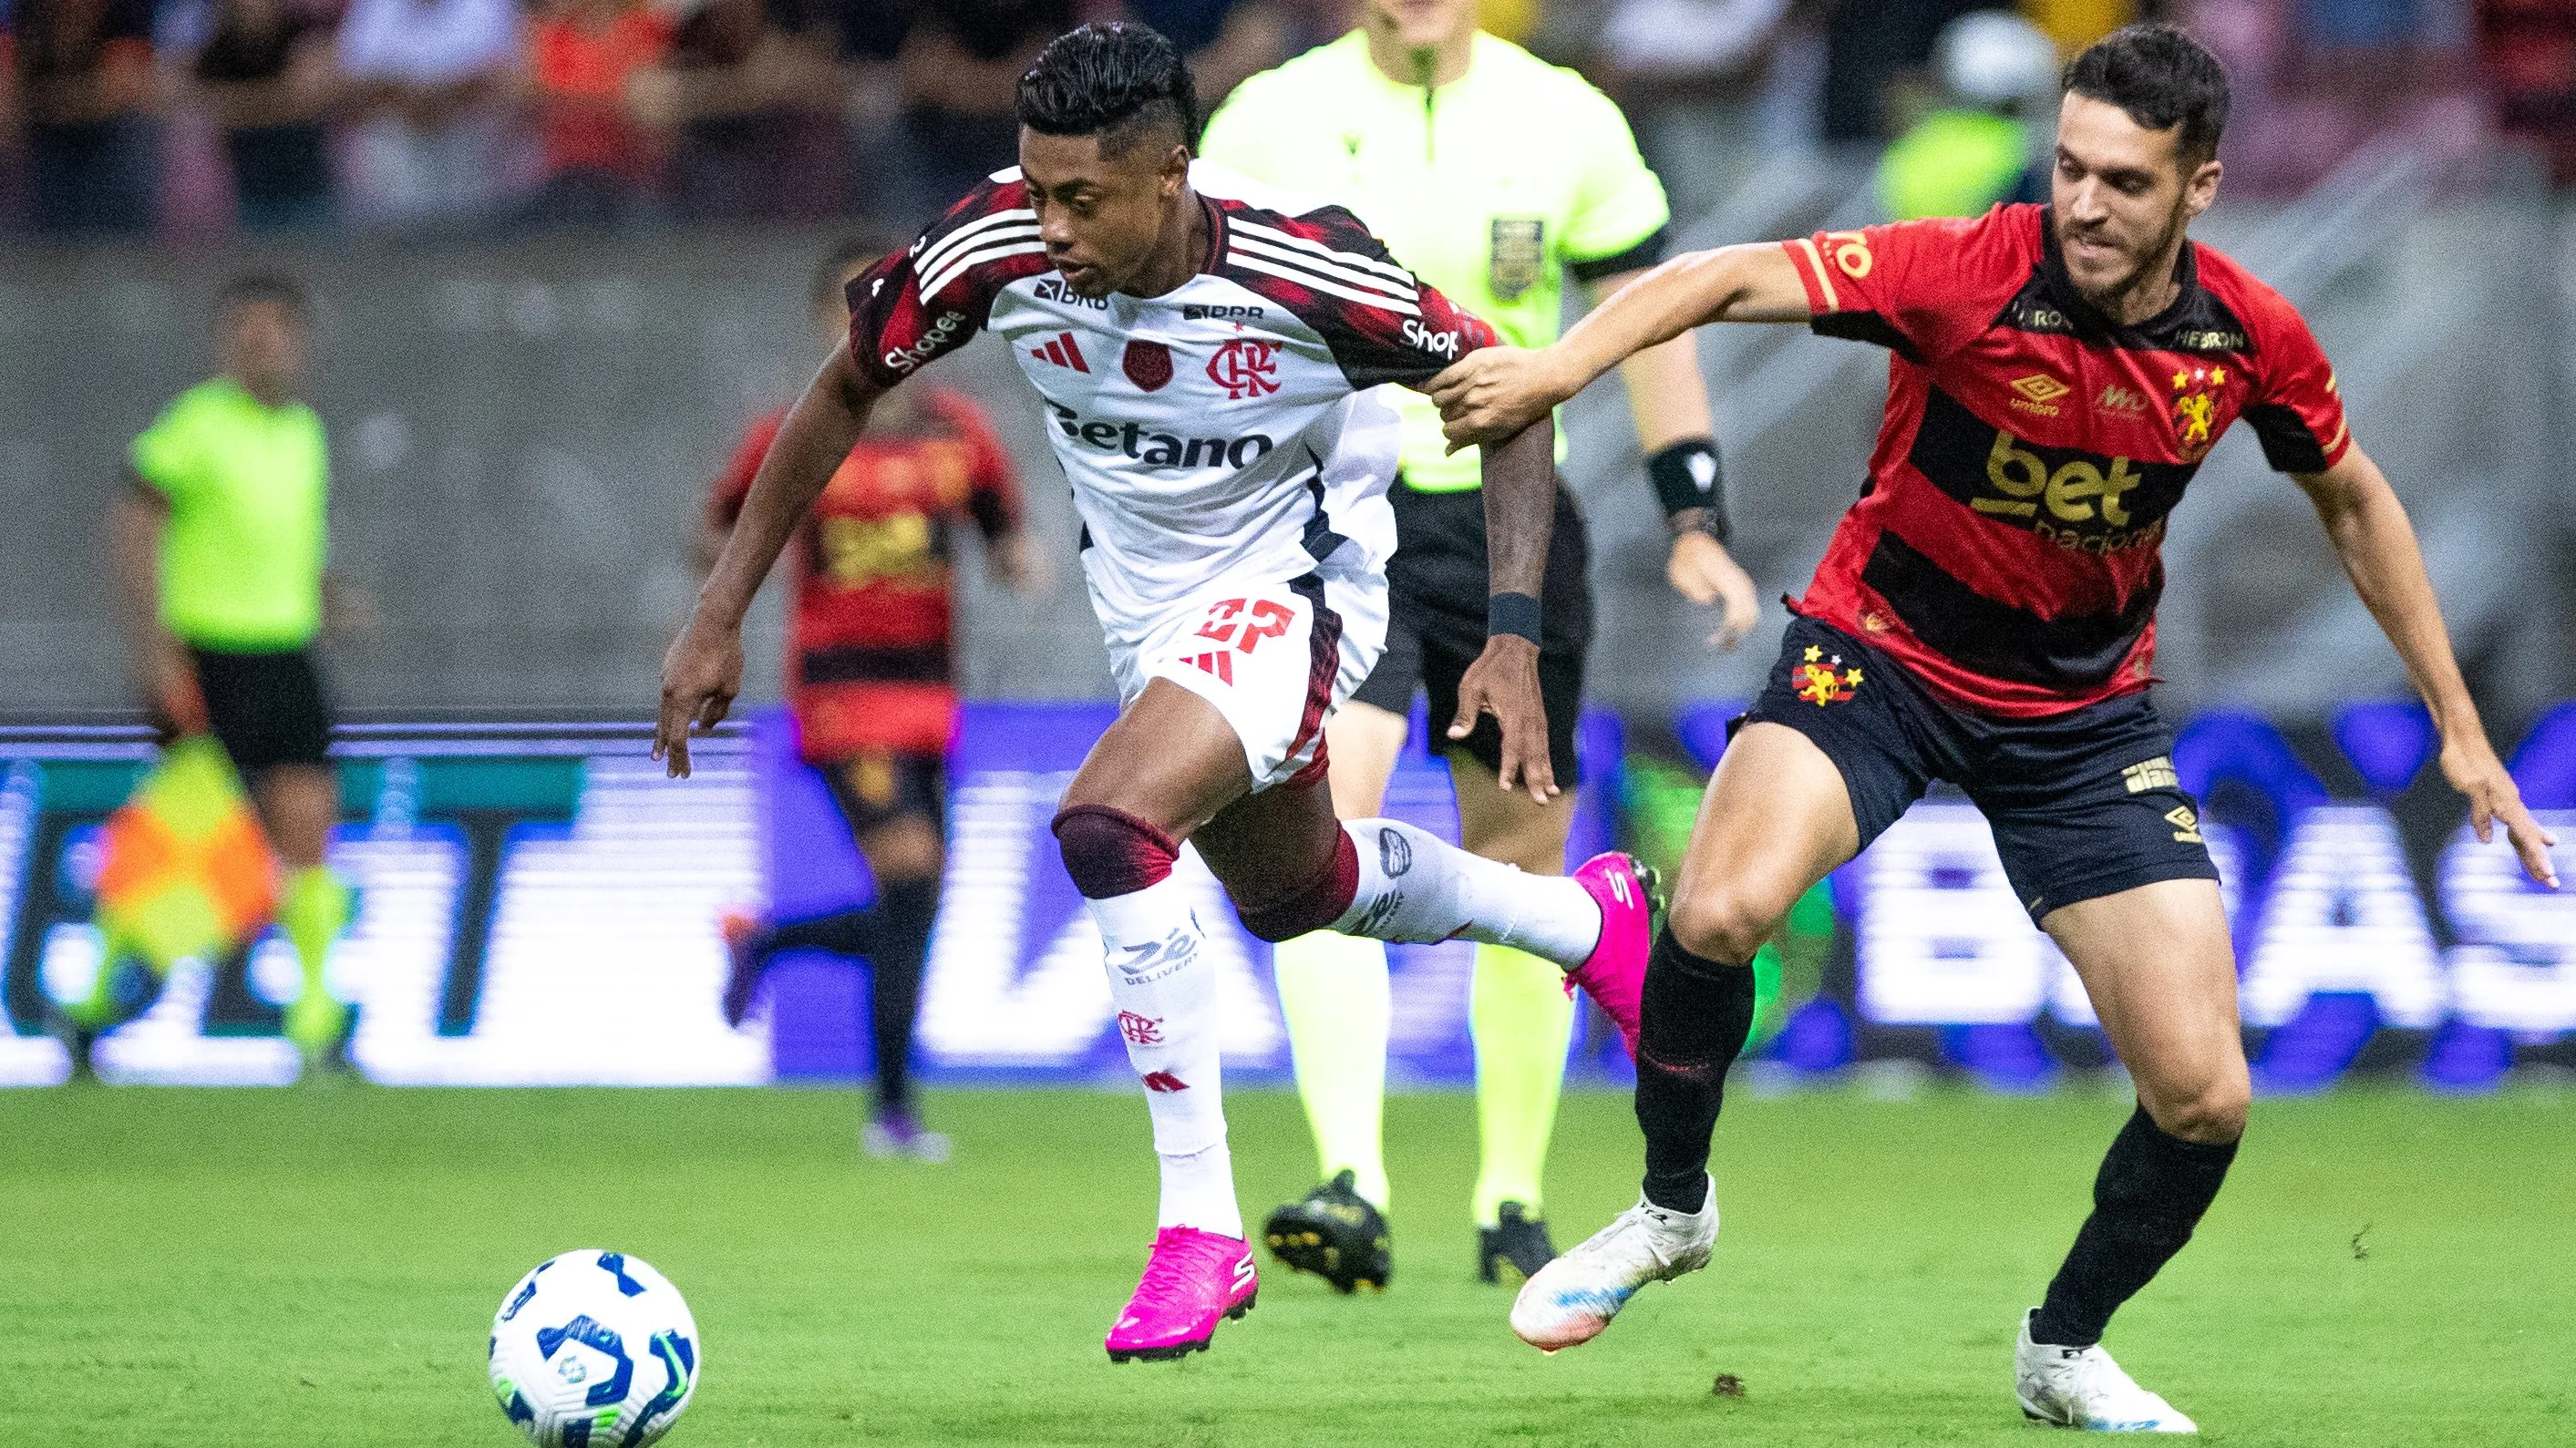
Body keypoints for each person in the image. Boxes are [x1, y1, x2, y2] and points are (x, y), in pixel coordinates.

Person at [1429, 23, 2561, 1432]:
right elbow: (1717, 276)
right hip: (1879, 659)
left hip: (2080, 722)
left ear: (2199, 187)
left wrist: (2457, 725)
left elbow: (2355, 501)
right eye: (2069, 166)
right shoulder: (1965, 267)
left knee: (2205, 1096)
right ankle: (1670, 1209)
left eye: (2123, 182)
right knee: (1715, 912)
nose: (2081, 203)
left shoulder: (2245, 339)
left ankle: (2060, 1347)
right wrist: (1555, 369)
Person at [655, 20, 1657, 1364]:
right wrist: (718, 612)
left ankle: (1199, 1226)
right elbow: (844, 387)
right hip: (1147, 616)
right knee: (1297, 892)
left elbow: (1513, 403)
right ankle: (1584, 923)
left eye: (1083, 199)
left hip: (1300, 583)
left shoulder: (1311, 270)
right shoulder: (992, 245)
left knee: (1108, 825)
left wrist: (1512, 634)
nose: (1051, 226)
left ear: (1173, 173)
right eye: (1037, 188)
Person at [1198, 0, 1759, 1293]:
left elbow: (1648, 315)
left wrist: (1694, 517)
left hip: (1511, 527)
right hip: (1336, 513)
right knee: (1323, 820)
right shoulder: (1265, 121)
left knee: (1521, 855)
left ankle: (1512, 1195)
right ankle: (1352, 1179)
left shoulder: (1566, 118)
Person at [709, 238, 1035, 1163]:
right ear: (826, 322)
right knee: (912, 872)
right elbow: (726, 522)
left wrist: (1016, 559)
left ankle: (770, 945)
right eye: (853, 305)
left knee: (914, 903)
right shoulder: (797, 435)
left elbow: (1002, 528)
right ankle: (892, 1111)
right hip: (842, 693)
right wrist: (718, 598)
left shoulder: (958, 434)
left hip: (930, 695)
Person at [100, 274, 358, 1074]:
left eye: (276, 328)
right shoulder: (194, 426)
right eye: (247, 329)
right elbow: (134, 528)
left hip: (287, 654)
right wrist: (157, 653)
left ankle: (315, 1023)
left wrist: (327, 595)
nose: (262, 342)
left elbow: (288, 536)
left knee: (309, 827)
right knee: (181, 846)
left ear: (300, 340)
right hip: (209, 659)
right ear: (225, 341)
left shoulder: (306, 433)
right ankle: (90, 1007)